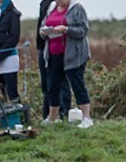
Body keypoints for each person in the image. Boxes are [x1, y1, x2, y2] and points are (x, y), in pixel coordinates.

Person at [40, 0, 93, 128]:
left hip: (73, 55)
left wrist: (66, 29)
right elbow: (43, 25)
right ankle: (52, 117)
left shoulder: (77, 8)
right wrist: (43, 32)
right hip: (53, 54)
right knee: (52, 86)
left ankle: (87, 118)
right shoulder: (51, 8)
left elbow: (83, 30)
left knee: (77, 84)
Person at [37, 0, 71, 119]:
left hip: (62, 49)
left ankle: (64, 113)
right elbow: (43, 23)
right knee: (47, 84)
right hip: (44, 46)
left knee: (62, 82)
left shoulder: (65, 4)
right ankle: (48, 115)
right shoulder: (44, 3)